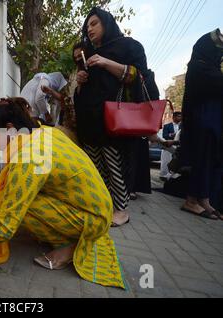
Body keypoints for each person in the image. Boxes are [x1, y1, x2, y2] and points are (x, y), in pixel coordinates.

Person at [0, 97, 126, 289]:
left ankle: (68, 247)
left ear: (9, 129)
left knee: (16, 207)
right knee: (15, 197)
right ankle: (64, 233)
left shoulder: (29, 157)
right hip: (98, 208)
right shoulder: (42, 132)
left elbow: (3, 228)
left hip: (94, 219)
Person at [74, 7, 160, 227]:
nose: (89, 29)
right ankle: (102, 204)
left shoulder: (129, 46)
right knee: (95, 165)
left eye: (94, 23)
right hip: (90, 120)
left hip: (114, 119)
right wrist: (81, 79)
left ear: (106, 22)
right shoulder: (90, 52)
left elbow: (139, 76)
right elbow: (84, 91)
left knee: (115, 164)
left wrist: (105, 63)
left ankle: (122, 210)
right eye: (87, 26)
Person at [179, 28, 223, 220]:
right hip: (203, 123)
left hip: (212, 123)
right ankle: (191, 200)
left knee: (211, 161)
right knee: (202, 161)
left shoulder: (210, 68)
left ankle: (204, 200)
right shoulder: (198, 67)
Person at [160, 112, 182, 181]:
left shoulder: (183, 126)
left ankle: (172, 176)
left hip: (178, 147)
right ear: (174, 117)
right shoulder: (167, 126)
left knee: (174, 162)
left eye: (180, 116)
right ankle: (164, 175)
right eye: (178, 116)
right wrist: (171, 135)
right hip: (169, 146)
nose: (180, 118)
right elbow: (164, 136)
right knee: (165, 161)